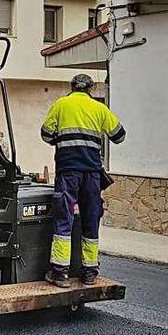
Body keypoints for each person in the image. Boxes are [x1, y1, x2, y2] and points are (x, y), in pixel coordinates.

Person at [40, 74, 126, 287]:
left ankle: (59, 272)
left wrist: (62, 138)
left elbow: (46, 134)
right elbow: (119, 136)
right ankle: (89, 272)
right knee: (91, 219)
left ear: (72, 87)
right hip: (92, 173)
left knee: (64, 219)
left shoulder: (61, 104)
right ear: (90, 88)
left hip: (68, 171)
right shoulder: (98, 108)